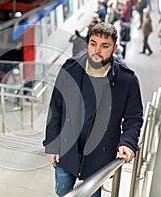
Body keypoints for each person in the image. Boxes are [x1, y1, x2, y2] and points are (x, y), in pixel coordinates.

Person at [43, 23, 143, 197]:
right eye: (93, 43)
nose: (97, 50)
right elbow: (55, 108)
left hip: (99, 157)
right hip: (67, 151)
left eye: (105, 46)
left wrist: (127, 142)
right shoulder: (70, 68)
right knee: (63, 193)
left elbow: (133, 118)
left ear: (115, 48)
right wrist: (51, 145)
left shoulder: (127, 80)